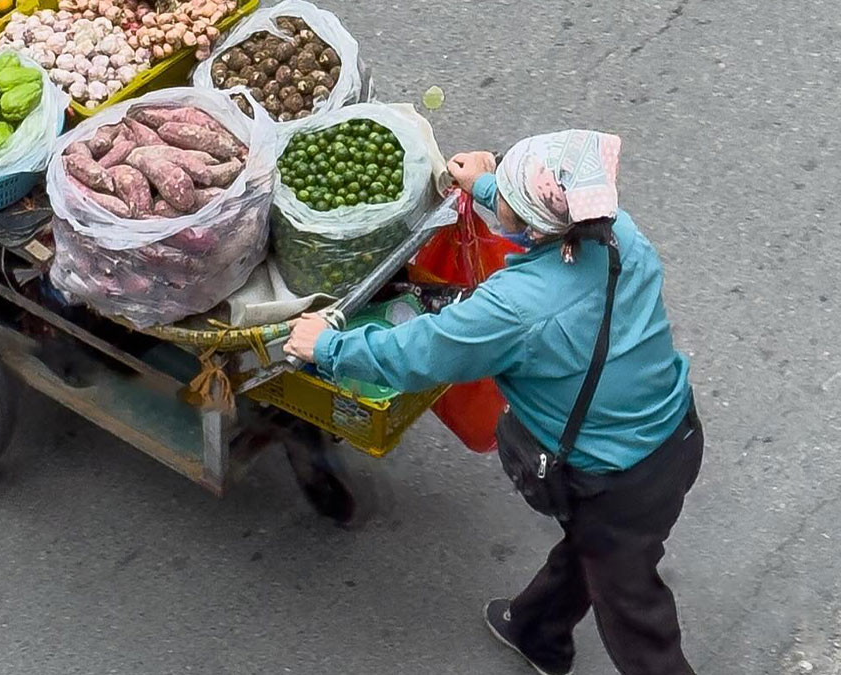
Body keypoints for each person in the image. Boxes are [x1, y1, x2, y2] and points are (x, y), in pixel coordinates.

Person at [285, 130, 702, 675]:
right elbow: (532, 222)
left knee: (638, 621)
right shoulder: (617, 231)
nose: (495, 193)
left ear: (532, 223)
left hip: (617, 481)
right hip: (678, 435)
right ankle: (536, 632)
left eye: (504, 189)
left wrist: (327, 347)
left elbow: (417, 354)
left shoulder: (516, 309)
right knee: (600, 549)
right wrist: (482, 185)